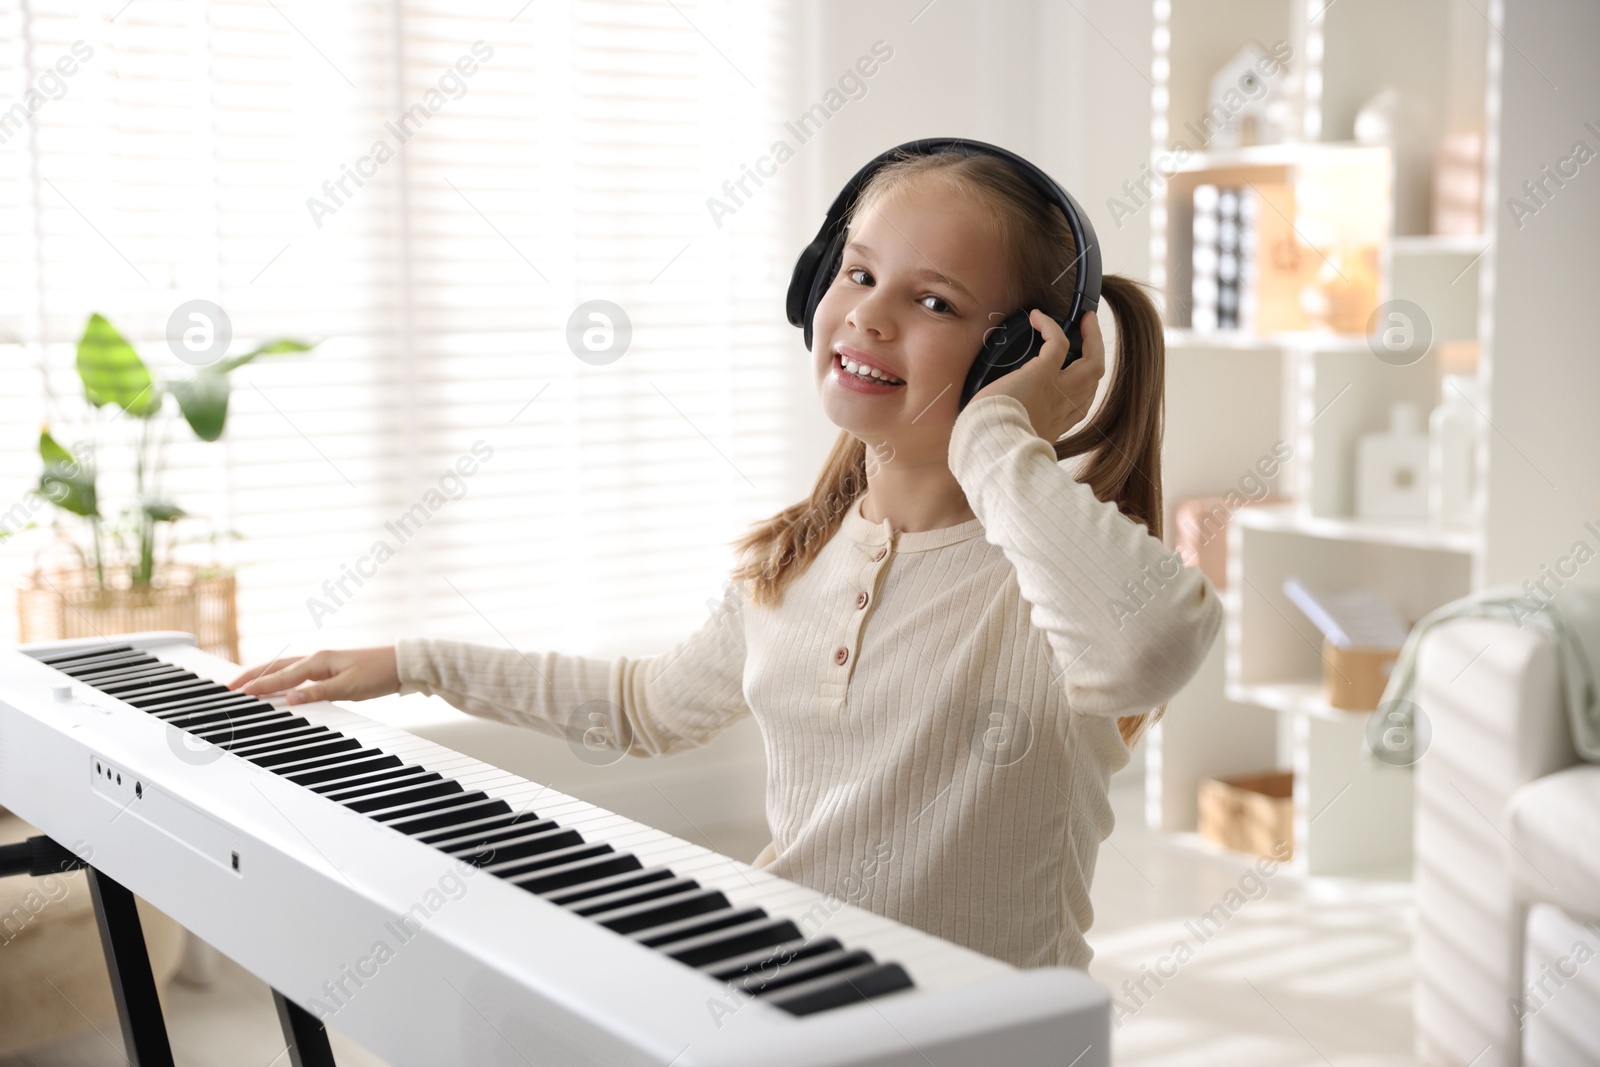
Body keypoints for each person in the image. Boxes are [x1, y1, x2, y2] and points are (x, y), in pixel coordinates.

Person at [230, 146, 1223, 971]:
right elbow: (644, 705)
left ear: (1017, 351)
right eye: (858, 273)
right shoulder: (794, 559)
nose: (869, 315)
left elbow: (1145, 650)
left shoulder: (1049, 576)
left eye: (934, 301)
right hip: (795, 996)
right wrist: (410, 662)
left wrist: (996, 436)